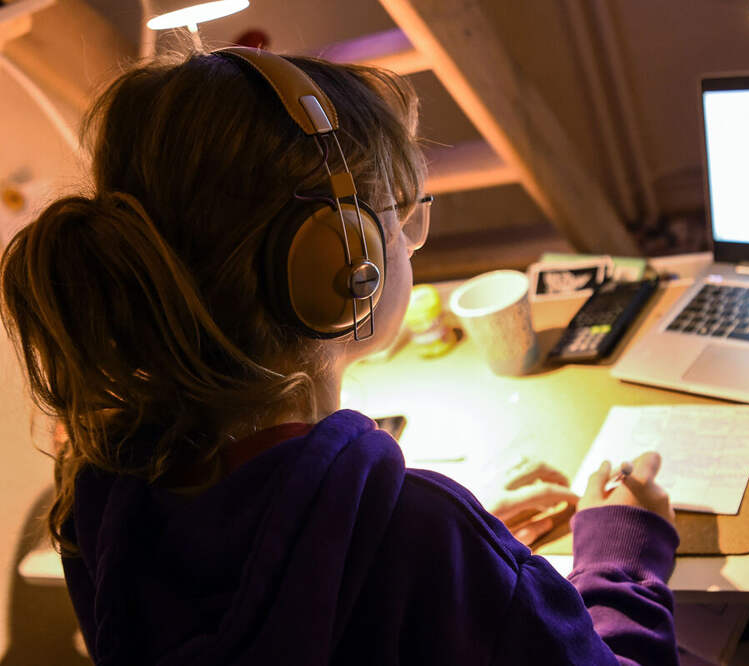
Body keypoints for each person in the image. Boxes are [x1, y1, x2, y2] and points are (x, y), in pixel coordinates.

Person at [0, 46, 679, 665]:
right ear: (342, 262)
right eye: (400, 213)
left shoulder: (105, 502)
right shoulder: (422, 534)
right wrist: (622, 556)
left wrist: (458, 559)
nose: (409, 238)